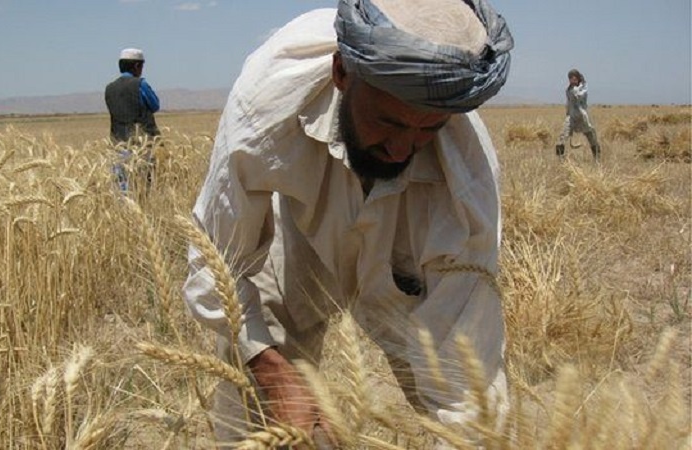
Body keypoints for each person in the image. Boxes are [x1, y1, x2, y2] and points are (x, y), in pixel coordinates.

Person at [182, 0, 513, 446]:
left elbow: (466, 393)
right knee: (256, 388)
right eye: (388, 121)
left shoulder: (465, 186)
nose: (400, 149)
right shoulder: (266, 103)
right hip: (299, 213)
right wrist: (270, 368)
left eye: (426, 129)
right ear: (342, 73)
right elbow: (217, 259)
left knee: (463, 401)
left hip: (408, 234)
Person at [104, 48, 161, 193]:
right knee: (145, 186)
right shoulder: (140, 84)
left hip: (117, 145)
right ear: (136, 66)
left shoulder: (109, 89)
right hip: (142, 145)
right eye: (141, 66)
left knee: (123, 188)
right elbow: (155, 105)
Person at [555, 69, 600, 161]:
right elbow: (568, 103)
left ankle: (597, 159)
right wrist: (567, 113)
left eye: (574, 78)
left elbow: (579, 95)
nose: (572, 80)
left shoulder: (583, 88)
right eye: (570, 78)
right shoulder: (568, 90)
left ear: (578, 78)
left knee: (591, 136)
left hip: (582, 116)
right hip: (571, 116)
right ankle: (560, 160)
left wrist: (575, 89)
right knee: (562, 136)